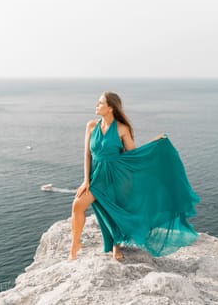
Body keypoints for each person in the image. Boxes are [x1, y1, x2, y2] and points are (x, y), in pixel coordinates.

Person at [69, 92, 200, 260]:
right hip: (97, 176)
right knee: (77, 205)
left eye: (100, 103)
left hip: (117, 177)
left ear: (110, 108)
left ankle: (116, 246)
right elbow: (87, 154)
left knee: (114, 212)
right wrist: (86, 180)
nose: (96, 105)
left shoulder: (122, 129)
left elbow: (134, 155)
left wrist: (155, 143)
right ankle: (75, 245)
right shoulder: (91, 126)